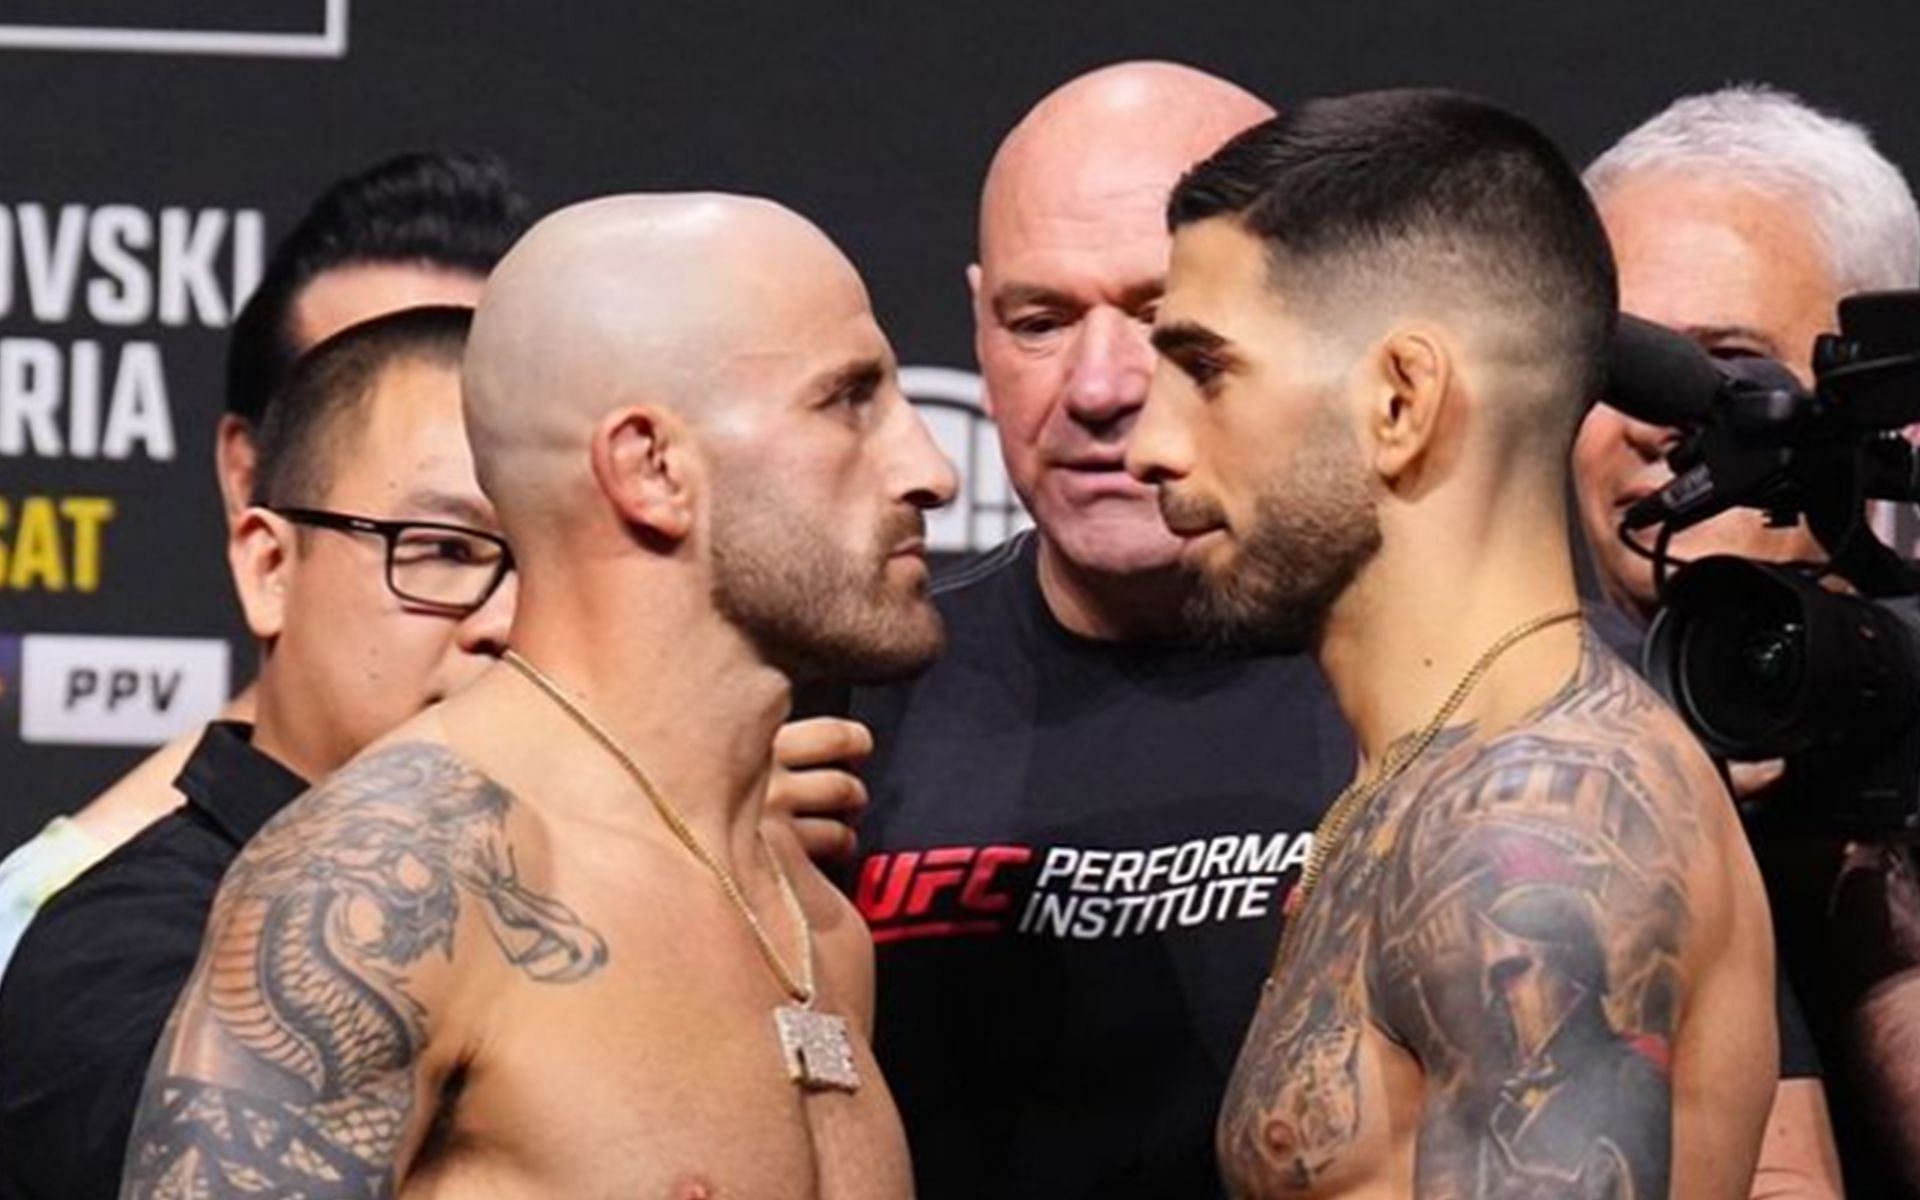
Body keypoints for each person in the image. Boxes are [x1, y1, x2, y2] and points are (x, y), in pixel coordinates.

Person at [121, 193, 956, 1197]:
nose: (932, 467)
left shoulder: (812, 921)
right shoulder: (393, 879)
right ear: (650, 468)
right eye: (847, 400)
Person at [1128, 89, 1777, 1198]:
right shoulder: (1437, 776)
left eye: (1208, 369)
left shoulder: (1530, 821)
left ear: (1400, 401)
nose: (1149, 442)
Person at [805, 62, 1354, 1200]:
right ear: (976, 324)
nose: (1100, 386)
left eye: (1161, 318)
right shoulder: (838, 707)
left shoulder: (1479, 698)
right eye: (1039, 320)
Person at [0, 307, 515, 1199]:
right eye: (440, 550)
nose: (506, 620)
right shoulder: (124, 953)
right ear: (269, 569)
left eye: (557, 566)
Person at [0, 152, 531, 974]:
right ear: (255, 482)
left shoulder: (684, 882)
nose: (497, 611)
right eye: (443, 541)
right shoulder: (58, 931)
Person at [1574, 85, 1920, 1198]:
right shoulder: (1465, 724)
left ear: (1889, 405)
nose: (1659, 422)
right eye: (1620, 372)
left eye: (1726, 363)